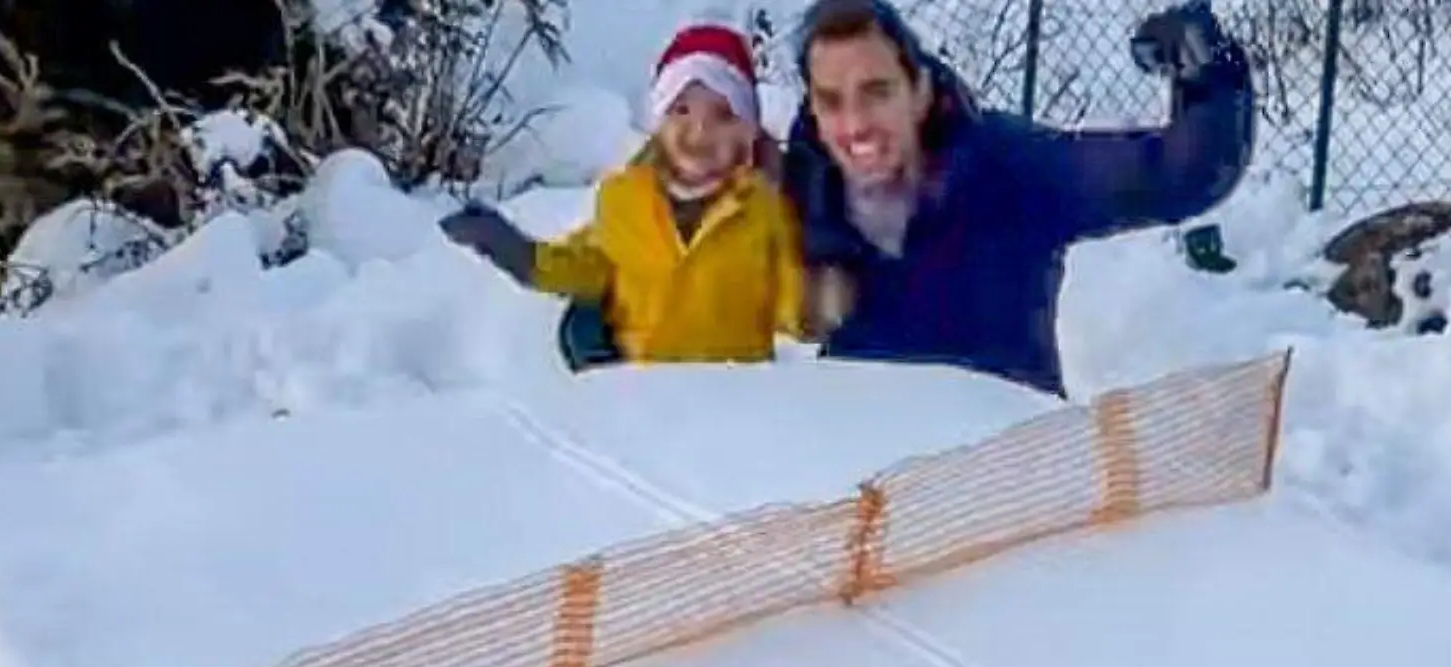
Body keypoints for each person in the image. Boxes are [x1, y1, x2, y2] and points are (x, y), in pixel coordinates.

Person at [780, 0, 1257, 396]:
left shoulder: (1012, 168)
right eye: (831, 100)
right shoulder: (808, 190)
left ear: (920, 91)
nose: (855, 123)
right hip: (865, 477)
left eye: (877, 92)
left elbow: (1178, 176)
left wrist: (1208, 74)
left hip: (1010, 465)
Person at [439, 21, 832, 369]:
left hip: (730, 399)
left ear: (747, 134)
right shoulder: (623, 199)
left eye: (723, 115)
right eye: (681, 110)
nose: (699, 131)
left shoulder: (763, 212)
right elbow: (587, 266)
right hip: (642, 400)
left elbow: (788, 304)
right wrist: (521, 255)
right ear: (659, 122)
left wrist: (819, 305)